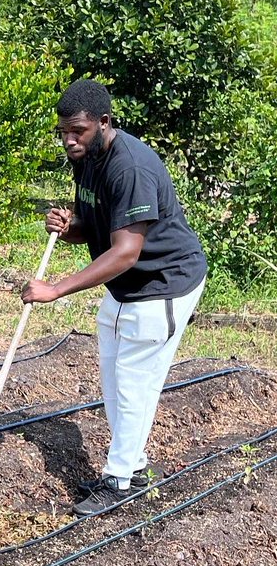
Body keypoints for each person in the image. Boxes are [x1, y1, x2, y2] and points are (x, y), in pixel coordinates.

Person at [22, 79, 207, 517]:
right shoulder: (86, 157)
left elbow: (126, 250)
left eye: (78, 131)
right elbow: (98, 224)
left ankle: (122, 481)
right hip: (126, 285)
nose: (69, 140)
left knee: (133, 385)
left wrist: (57, 289)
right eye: (63, 132)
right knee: (113, 379)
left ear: (104, 123)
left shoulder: (131, 168)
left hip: (164, 282)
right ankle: (133, 468)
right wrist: (71, 228)